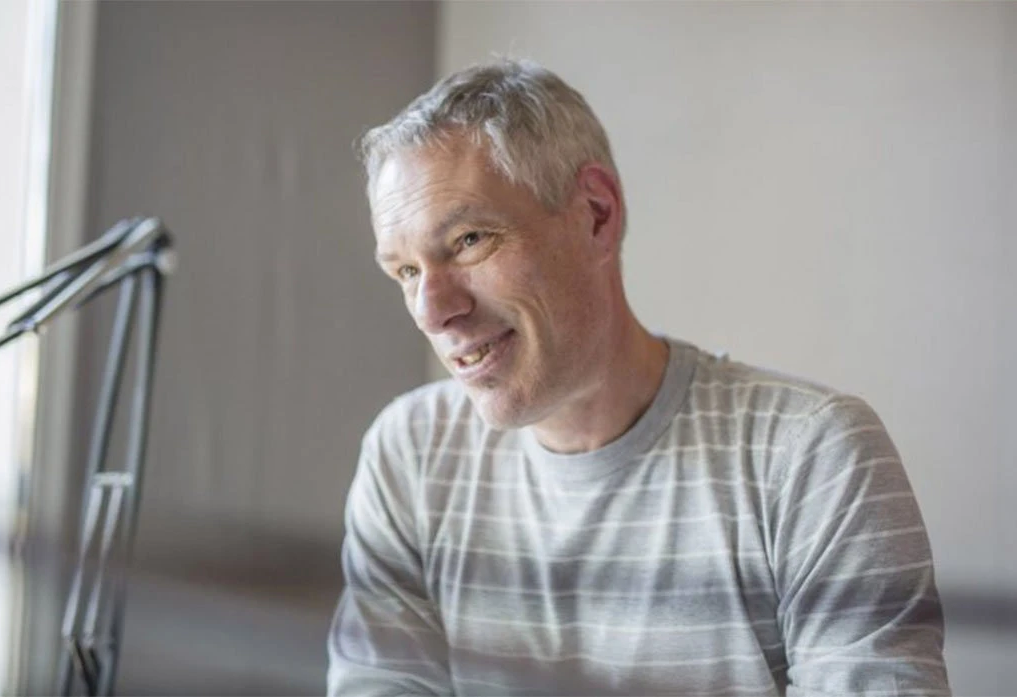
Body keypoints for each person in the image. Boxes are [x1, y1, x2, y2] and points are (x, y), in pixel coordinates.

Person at [328, 59, 949, 697]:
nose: (431, 312)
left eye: (468, 240)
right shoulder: (411, 455)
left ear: (596, 214)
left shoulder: (810, 456)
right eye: (406, 271)